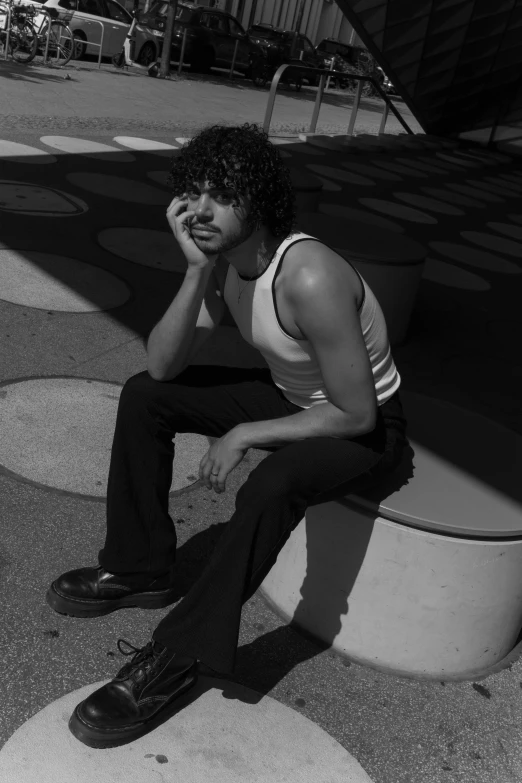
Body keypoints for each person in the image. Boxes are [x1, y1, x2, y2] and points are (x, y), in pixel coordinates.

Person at [47, 123, 407, 748]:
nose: (202, 210)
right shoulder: (229, 264)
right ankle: (139, 568)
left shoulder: (307, 275)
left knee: (272, 483)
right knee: (144, 397)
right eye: (194, 193)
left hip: (367, 427)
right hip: (298, 398)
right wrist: (194, 272)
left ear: (261, 201)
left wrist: (244, 432)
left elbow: (357, 414)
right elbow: (163, 367)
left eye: (223, 195)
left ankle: (175, 657)